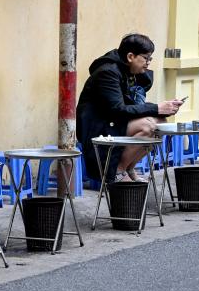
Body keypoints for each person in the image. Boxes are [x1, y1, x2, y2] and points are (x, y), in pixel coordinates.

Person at [76, 33, 183, 183]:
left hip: (112, 121)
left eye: (150, 59)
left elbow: (132, 105)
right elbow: (118, 110)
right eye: (145, 58)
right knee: (148, 127)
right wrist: (157, 107)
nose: (148, 63)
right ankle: (118, 171)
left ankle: (128, 167)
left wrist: (164, 108)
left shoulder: (127, 71)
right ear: (130, 56)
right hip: (98, 126)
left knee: (161, 123)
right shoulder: (108, 72)